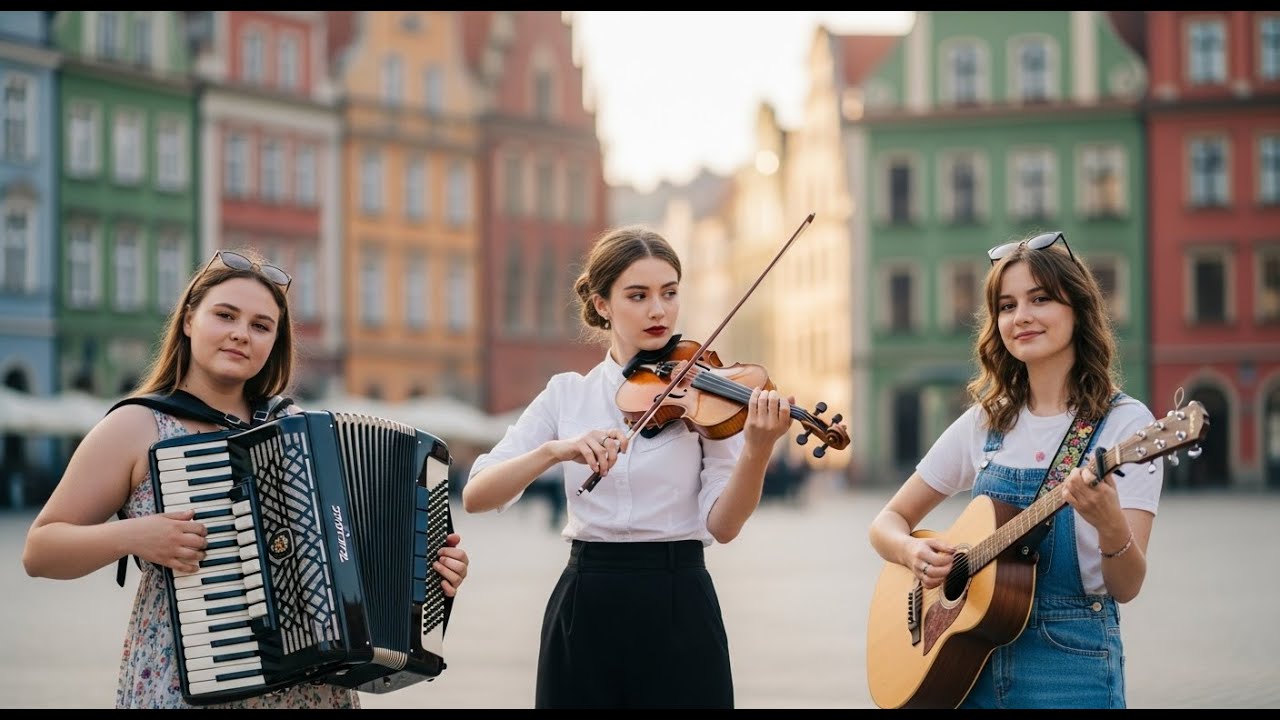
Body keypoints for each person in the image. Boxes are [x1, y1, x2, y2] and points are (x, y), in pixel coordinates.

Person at [22, 247, 470, 709]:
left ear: (275, 341)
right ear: (190, 320)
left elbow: (356, 555)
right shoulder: (137, 426)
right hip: (187, 683)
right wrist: (134, 536)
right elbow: (40, 550)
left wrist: (429, 570)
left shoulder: (298, 430)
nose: (241, 334)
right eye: (226, 315)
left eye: (260, 326)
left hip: (309, 692)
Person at [462, 225, 797, 709]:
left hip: (680, 601)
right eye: (638, 296)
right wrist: (557, 451)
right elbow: (476, 495)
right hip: (586, 602)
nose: (658, 310)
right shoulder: (567, 394)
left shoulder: (706, 392)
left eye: (669, 293)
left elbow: (724, 527)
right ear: (602, 304)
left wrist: (758, 451)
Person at [867, 231, 1163, 709]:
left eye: (1040, 299)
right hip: (966, 669)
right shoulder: (986, 420)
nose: (1020, 316)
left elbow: (1126, 587)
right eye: (1006, 306)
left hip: (1070, 667)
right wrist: (910, 554)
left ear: (1078, 309)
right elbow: (885, 523)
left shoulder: (1126, 425)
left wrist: (1109, 522)